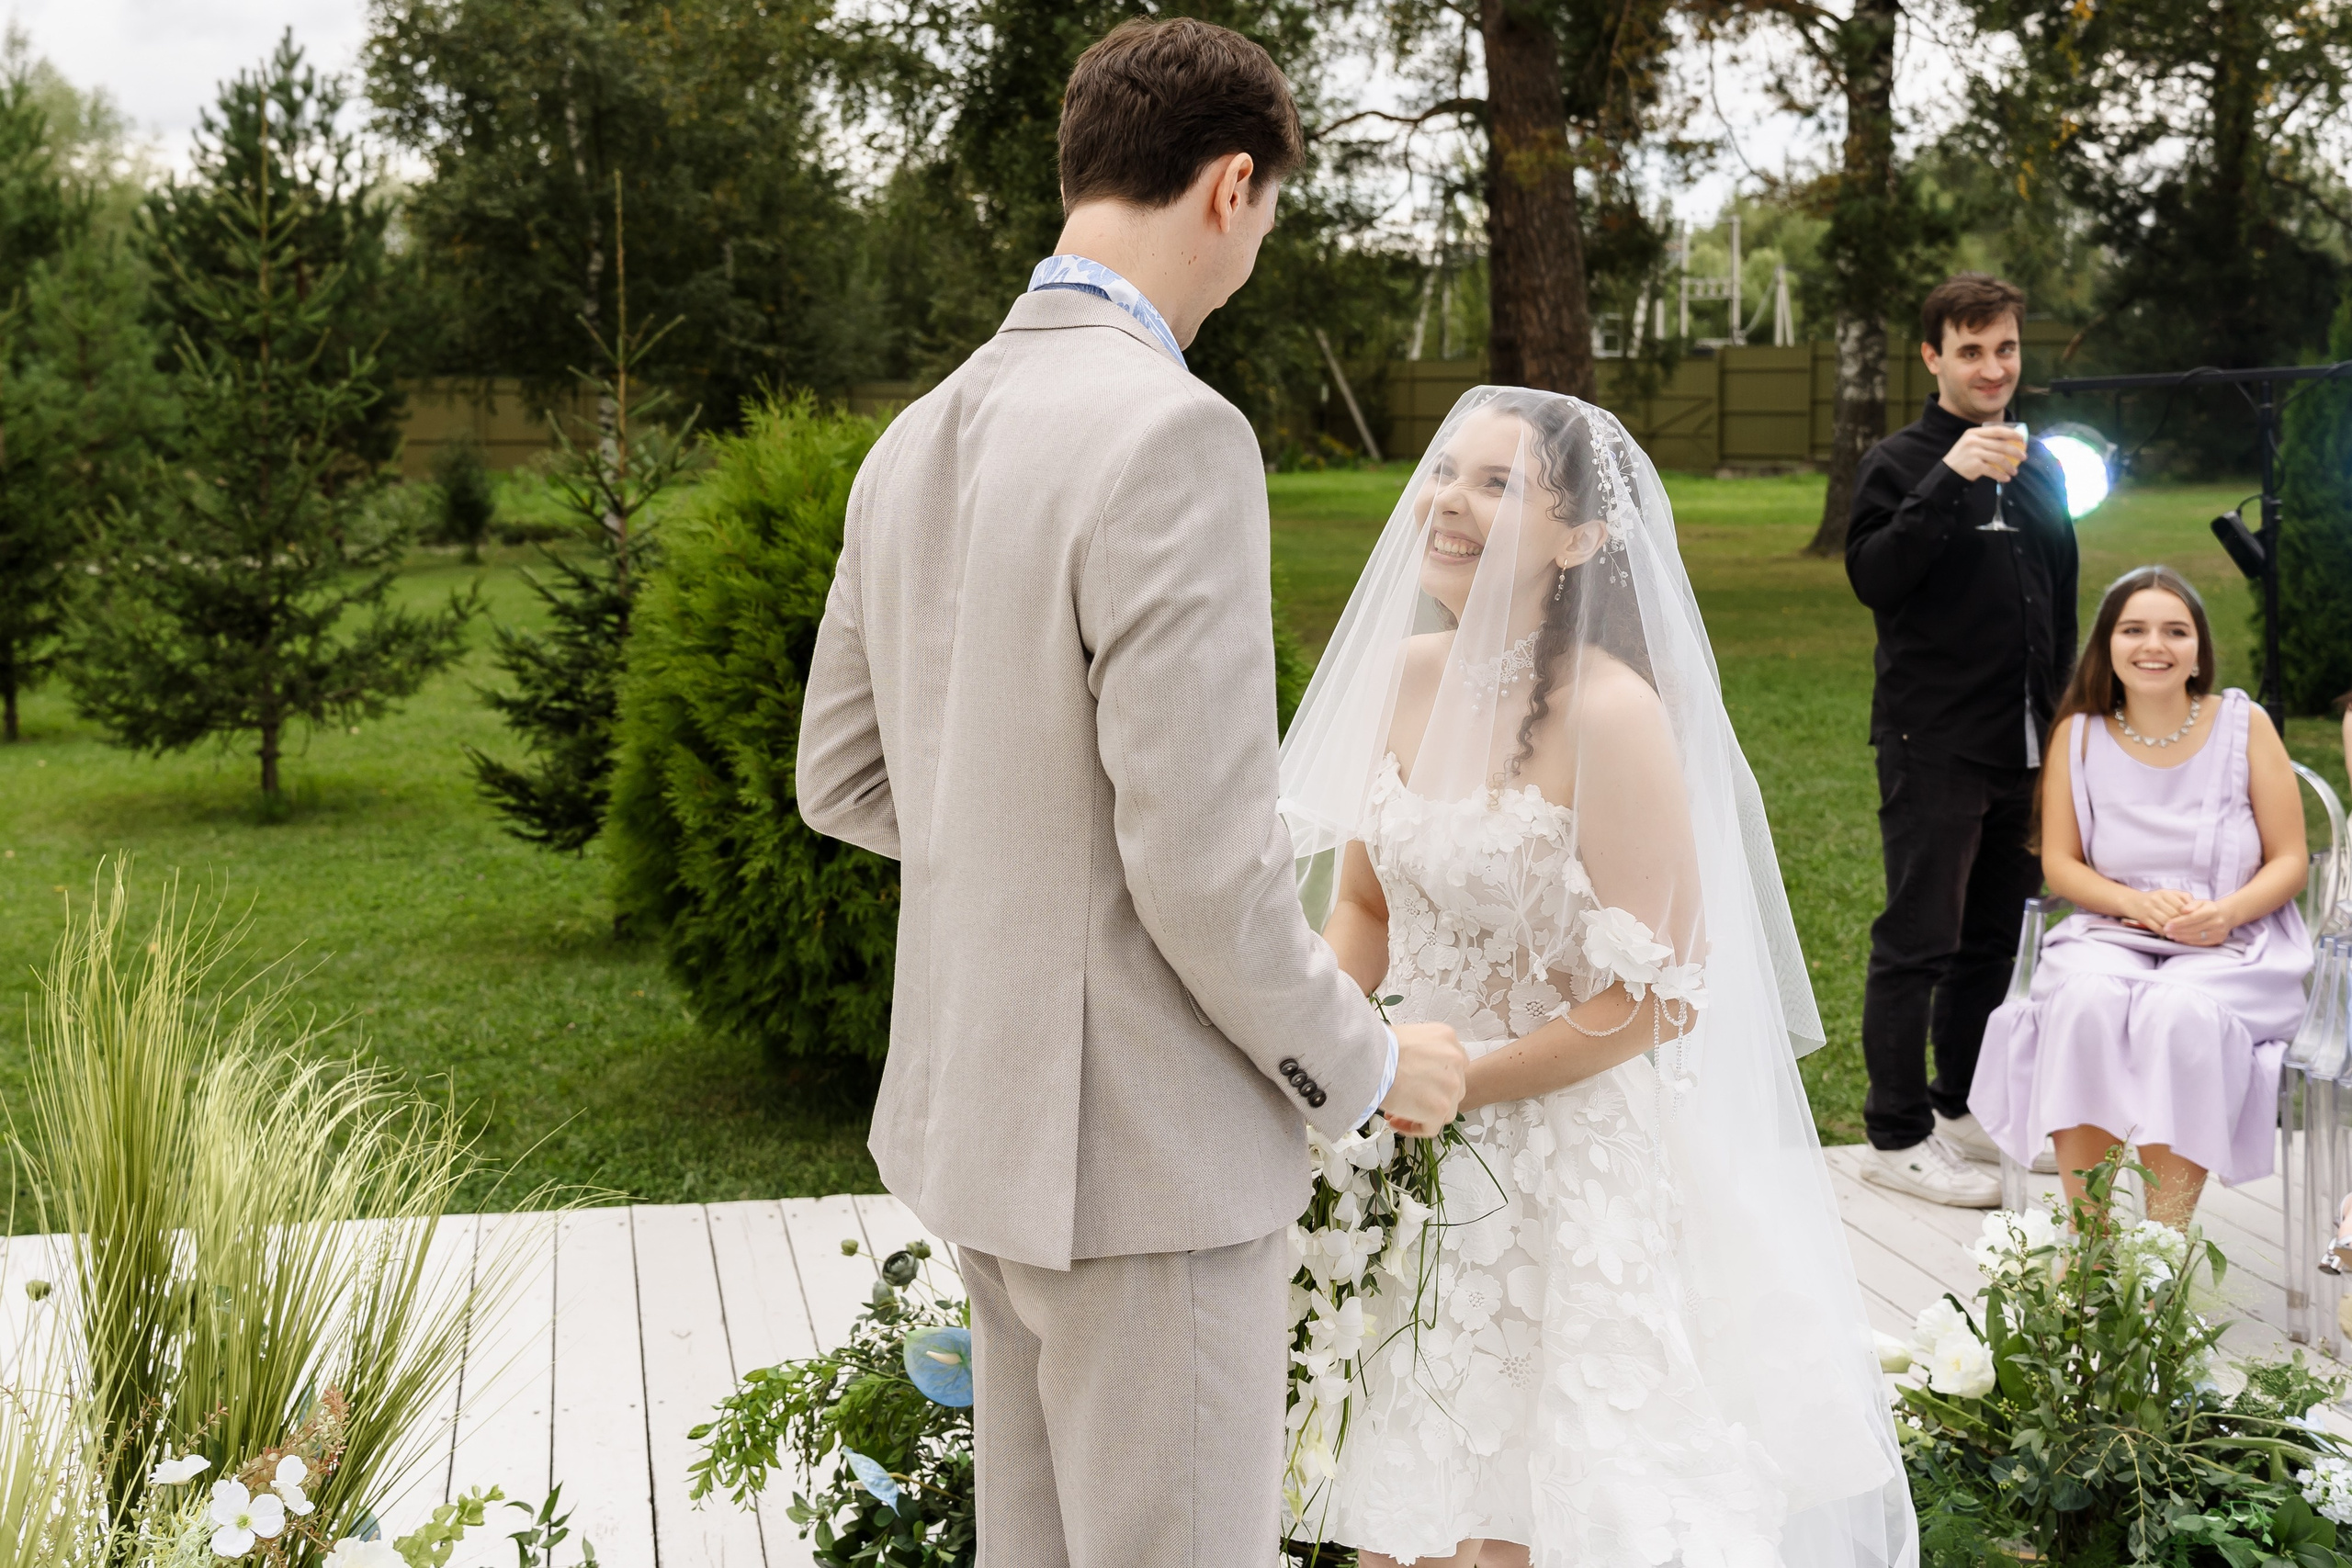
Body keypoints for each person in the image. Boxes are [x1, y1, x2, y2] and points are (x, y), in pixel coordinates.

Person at [795, 20, 1468, 1566]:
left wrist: (1021, 853)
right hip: (1147, 1156)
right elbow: (1204, 870)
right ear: (1232, 185)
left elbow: (845, 773)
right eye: (1272, 211)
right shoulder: (1172, 430)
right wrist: (1363, 1064)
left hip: (984, 1132)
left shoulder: (909, 439)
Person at [1279, 388, 1917, 1567]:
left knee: (1527, 1518)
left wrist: (1459, 1084)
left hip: (1556, 1172)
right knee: (1394, 1507)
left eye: (1496, 483)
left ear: (1579, 537)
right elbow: (1365, 906)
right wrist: (1322, 1048)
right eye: (1446, 471)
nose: (1448, 500)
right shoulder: (1399, 673)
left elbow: (1659, 995)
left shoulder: (1616, 714)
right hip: (1400, 1140)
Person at [1969, 567, 2310, 1225]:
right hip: (2112, 927)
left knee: (2180, 1014)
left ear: (2198, 650)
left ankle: (2160, 1250)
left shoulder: (2245, 723)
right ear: (2108, 644)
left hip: (2234, 936)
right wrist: (2130, 901)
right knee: (2086, 1004)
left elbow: (2290, 857)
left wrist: (2227, 912)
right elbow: (2062, 863)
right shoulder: (2081, 733)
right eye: (2135, 629)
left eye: (2174, 631)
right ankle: (2089, 1241)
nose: (2154, 644)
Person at [1847, 273, 2078, 1207]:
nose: (1992, 368)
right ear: (1933, 356)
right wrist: (1949, 481)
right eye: (1972, 350)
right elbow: (1874, 577)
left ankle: (1961, 1107)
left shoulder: (2045, 466)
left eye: (2006, 349)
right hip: (1933, 737)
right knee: (1919, 938)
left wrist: (2063, 716)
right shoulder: (1898, 464)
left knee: (1992, 939)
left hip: (2024, 738)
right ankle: (1894, 1134)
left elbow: (2056, 603)